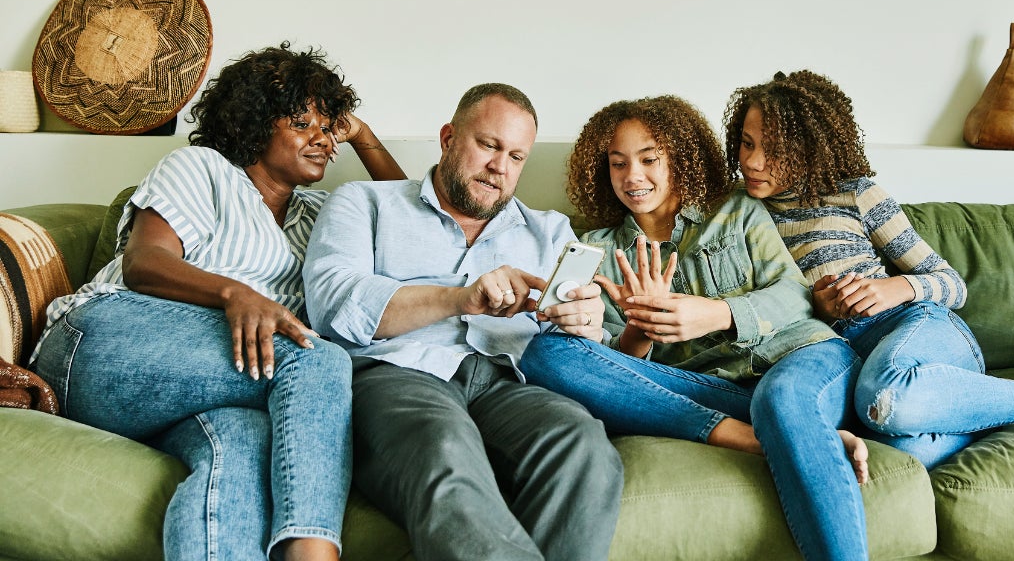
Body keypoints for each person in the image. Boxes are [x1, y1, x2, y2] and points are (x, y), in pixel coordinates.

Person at [31, 42, 407, 561]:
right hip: (104, 343)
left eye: (328, 127)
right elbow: (145, 262)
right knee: (315, 355)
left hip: (208, 387)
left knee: (244, 446)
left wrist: (362, 134)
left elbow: (414, 226)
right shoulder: (201, 169)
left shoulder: (322, 217)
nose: (322, 139)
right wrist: (234, 293)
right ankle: (312, 553)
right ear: (254, 126)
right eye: (303, 123)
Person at [724, 70, 1014, 469]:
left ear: (814, 147)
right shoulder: (738, 214)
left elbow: (950, 284)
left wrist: (895, 288)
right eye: (747, 143)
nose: (753, 162)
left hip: (914, 327)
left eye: (775, 151)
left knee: (887, 397)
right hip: (844, 357)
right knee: (903, 451)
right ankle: (1006, 399)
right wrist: (817, 307)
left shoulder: (857, 195)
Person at [518, 95, 873, 561]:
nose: (633, 177)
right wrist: (640, 329)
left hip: (799, 361)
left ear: (680, 158)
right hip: (708, 391)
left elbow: (795, 295)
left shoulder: (735, 209)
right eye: (617, 163)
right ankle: (778, 434)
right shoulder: (596, 249)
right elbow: (619, 373)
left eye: (649, 160)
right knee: (545, 354)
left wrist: (717, 313)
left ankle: (791, 423)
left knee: (783, 398)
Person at [301, 83, 623, 561]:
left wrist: (587, 321)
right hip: (396, 377)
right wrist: (459, 299)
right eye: (489, 145)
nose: (500, 167)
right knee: (445, 448)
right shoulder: (365, 202)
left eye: (516, 157)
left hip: (507, 383)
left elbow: (584, 343)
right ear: (449, 137)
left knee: (586, 450)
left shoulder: (550, 230)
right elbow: (331, 301)